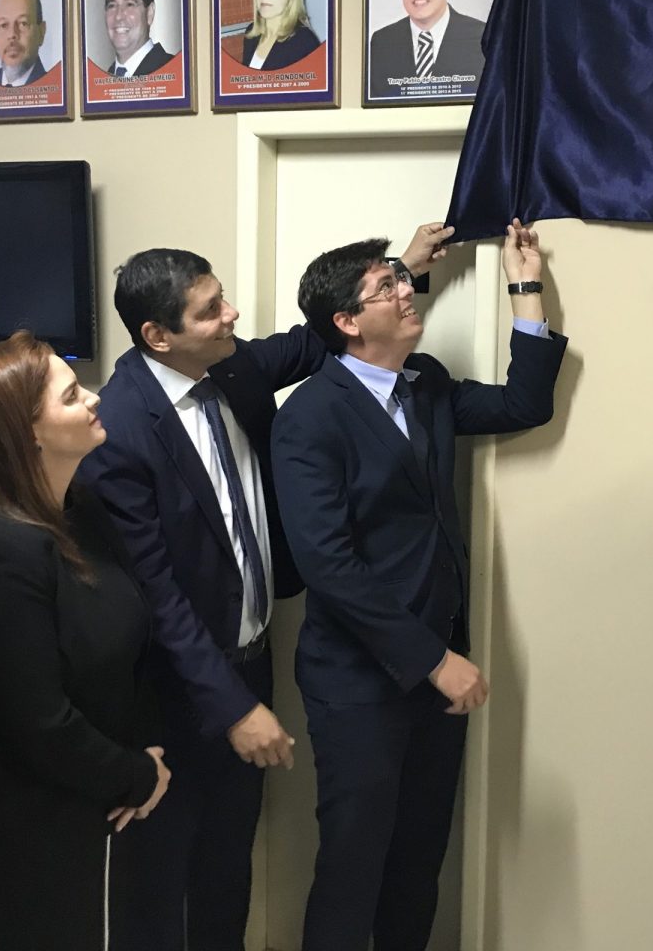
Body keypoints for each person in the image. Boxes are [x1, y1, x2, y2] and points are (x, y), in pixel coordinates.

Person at [77, 223, 451, 951]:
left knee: (228, 867)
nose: (233, 316)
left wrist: (402, 268)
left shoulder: (232, 366)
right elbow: (159, 596)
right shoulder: (118, 430)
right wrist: (233, 707)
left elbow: (314, 339)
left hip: (251, 657)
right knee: (162, 884)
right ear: (158, 336)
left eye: (222, 298)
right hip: (173, 692)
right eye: (211, 310)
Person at [271, 220, 566, 951]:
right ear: (347, 322)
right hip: (359, 681)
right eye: (388, 286)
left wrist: (526, 286)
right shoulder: (308, 417)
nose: (408, 291)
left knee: (417, 862)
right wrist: (434, 661)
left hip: (437, 672)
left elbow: (523, 404)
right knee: (353, 867)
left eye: (402, 279)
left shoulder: (424, 383)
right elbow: (328, 564)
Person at [0, 331, 169, 951]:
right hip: (29, 832)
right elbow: (35, 719)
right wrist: (135, 776)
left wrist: (146, 752)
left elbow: (129, 647)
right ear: (30, 434)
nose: (93, 398)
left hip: (97, 802)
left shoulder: (81, 509)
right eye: (71, 396)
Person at [100, 0, 172, 77]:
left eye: (129, 4)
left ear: (149, 13)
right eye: (112, 5)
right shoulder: (99, 80)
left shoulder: (174, 71)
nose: (118, 16)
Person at [0, 0, 48, 86]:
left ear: (41, 32)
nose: (12, 34)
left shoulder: (55, 86)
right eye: (4, 25)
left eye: (23, 23)